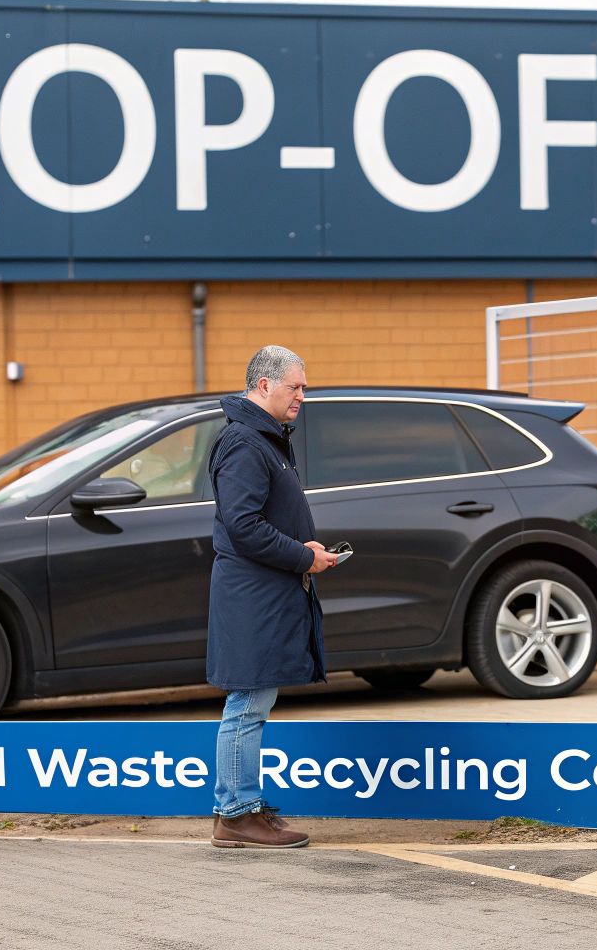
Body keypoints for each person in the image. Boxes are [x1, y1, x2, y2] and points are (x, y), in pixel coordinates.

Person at [207, 345, 340, 849]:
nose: (302, 396)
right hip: (253, 597)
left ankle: (240, 805)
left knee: (254, 699)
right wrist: (302, 557)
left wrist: (301, 548)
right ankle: (236, 813)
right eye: (296, 387)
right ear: (264, 386)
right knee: (248, 702)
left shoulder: (264, 439)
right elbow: (243, 526)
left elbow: (258, 520)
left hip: (261, 593)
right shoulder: (246, 443)